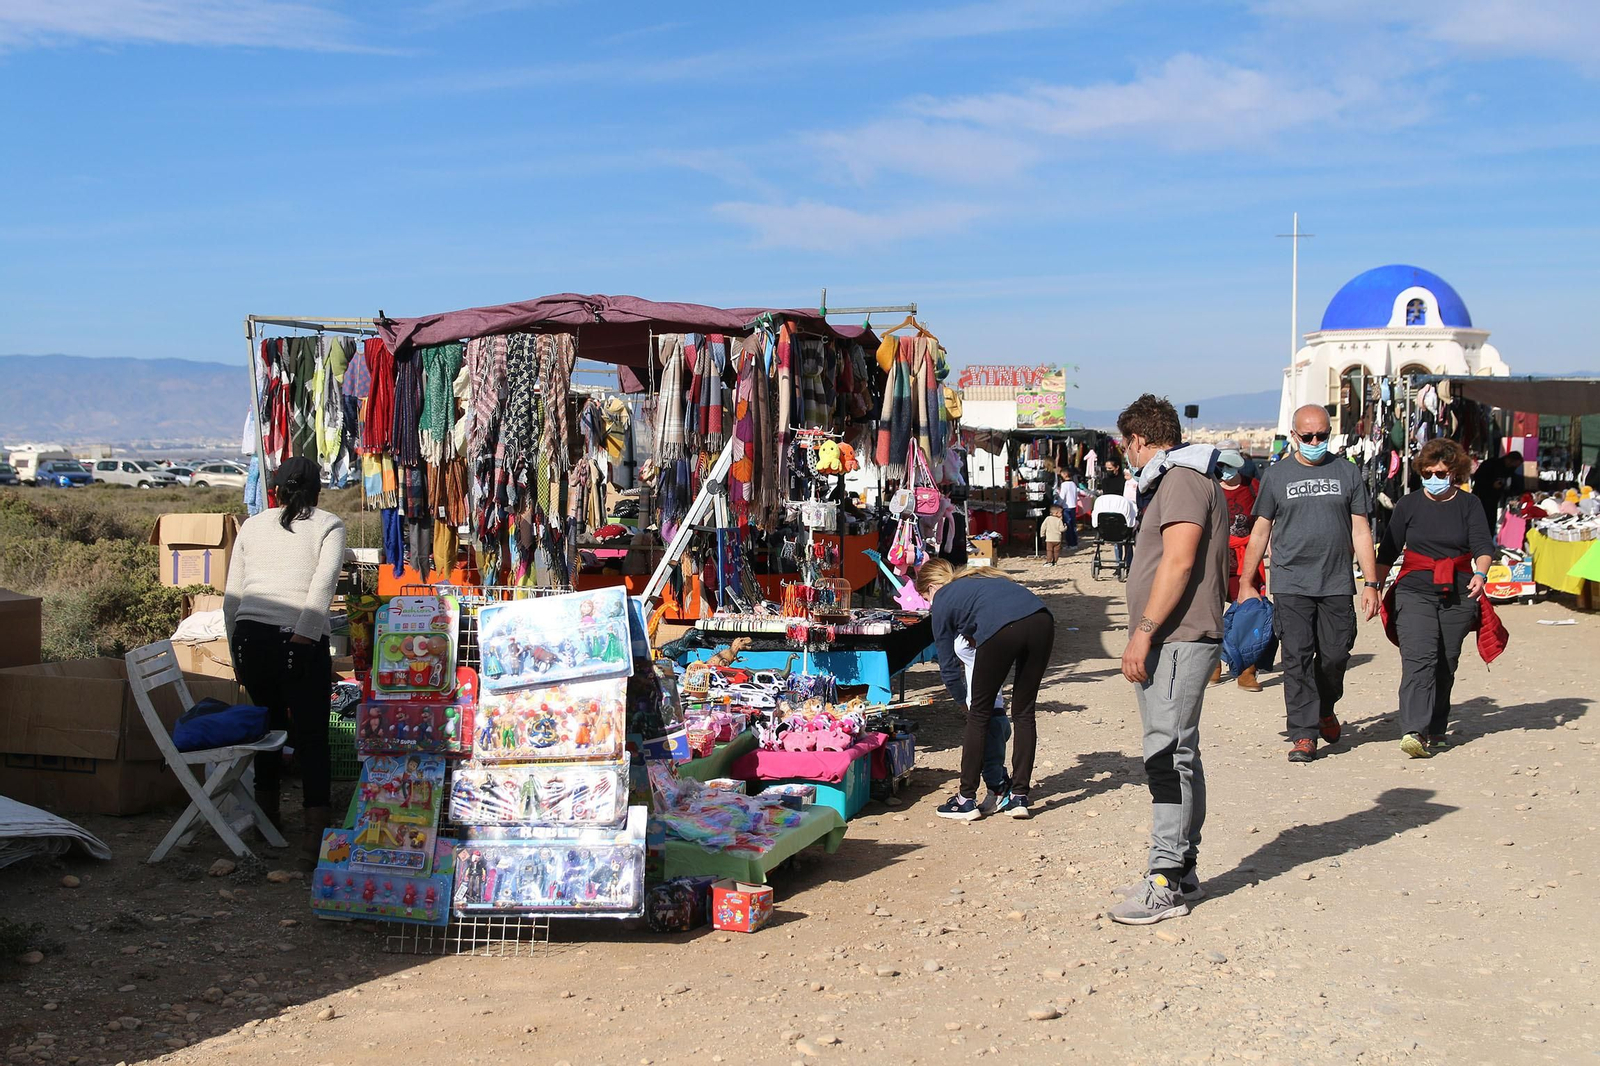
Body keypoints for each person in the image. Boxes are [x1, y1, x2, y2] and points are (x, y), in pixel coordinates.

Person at [1110, 395, 1228, 926]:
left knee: (1166, 755)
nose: (1126, 455)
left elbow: (1179, 562)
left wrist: (1144, 633)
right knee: (1179, 753)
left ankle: (1164, 878)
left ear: (1138, 439)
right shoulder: (1181, 477)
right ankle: (1180, 868)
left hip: (1176, 639)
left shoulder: (1180, 478)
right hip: (1174, 640)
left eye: (1125, 444)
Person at [1236, 404, 1380, 763]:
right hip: (1291, 582)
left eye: (1322, 436)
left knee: (1335, 654)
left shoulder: (1347, 472)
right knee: (1297, 658)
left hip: (1335, 581)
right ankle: (1303, 733)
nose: (1316, 442)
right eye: (1308, 436)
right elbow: (1260, 530)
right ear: (1295, 435)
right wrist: (1245, 581)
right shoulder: (1276, 475)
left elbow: (1361, 529)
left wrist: (1372, 582)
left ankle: (1325, 707)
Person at [224, 457, 347, 856]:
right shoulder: (328, 525)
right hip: (300, 641)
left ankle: (267, 820)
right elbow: (321, 590)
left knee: (268, 729)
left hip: (250, 640)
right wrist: (303, 640)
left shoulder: (252, 526)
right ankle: (314, 838)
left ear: (274, 490)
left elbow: (232, 599)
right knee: (312, 738)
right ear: (317, 492)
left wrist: (236, 655)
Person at [1377, 439, 1498, 758]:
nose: (1433, 477)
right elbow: (1388, 550)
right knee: (1419, 657)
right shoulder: (1408, 505)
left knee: (1446, 662)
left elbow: (1483, 546)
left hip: (1458, 592)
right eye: (1428, 472)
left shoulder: (1469, 505)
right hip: (1413, 590)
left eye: (1440, 472)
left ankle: (1437, 727)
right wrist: (1374, 586)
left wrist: (1480, 573)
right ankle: (1412, 730)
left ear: (1454, 472)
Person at [918, 559, 1056, 821]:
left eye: (926, 598)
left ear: (933, 587)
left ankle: (965, 800)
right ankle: (1018, 797)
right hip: (1041, 620)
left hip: (1004, 629)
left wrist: (961, 701)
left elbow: (947, 664)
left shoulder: (943, 599)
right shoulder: (978, 580)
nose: (928, 604)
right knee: (1024, 712)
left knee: (978, 715)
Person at [1215, 450, 1266, 691]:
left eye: (1227, 465)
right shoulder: (1209, 486)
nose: (1223, 470)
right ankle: (1212, 664)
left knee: (1248, 614)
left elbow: (1264, 524)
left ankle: (1247, 669)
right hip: (1214, 559)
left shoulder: (1253, 487)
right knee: (1211, 613)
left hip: (1245, 559)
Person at [1471, 450, 1524, 526]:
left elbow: (1512, 484)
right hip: (1481, 497)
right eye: (1514, 465)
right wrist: (1491, 484)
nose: (1514, 467)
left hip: (1494, 500)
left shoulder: (1509, 470)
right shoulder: (1491, 464)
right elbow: (1478, 477)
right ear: (1509, 460)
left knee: (1490, 523)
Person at [1092, 488, 1138, 570]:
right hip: (1122, 531)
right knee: (1126, 542)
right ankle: (1129, 563)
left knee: (1117, 542)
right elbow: (1132, 520)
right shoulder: (1127, 503)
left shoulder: (1102, 503)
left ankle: (1119, 560)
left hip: (1105, 531)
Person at [1055, 477, 1080, 548]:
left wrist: (1057, 504)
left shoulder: (1064, 485)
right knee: (1073, 526)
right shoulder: (1073, 484)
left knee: (1068, 526)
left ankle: (1070, 543)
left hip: (1066, 507)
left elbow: (1062, 497)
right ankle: (1074, 543)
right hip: (1073, 507)